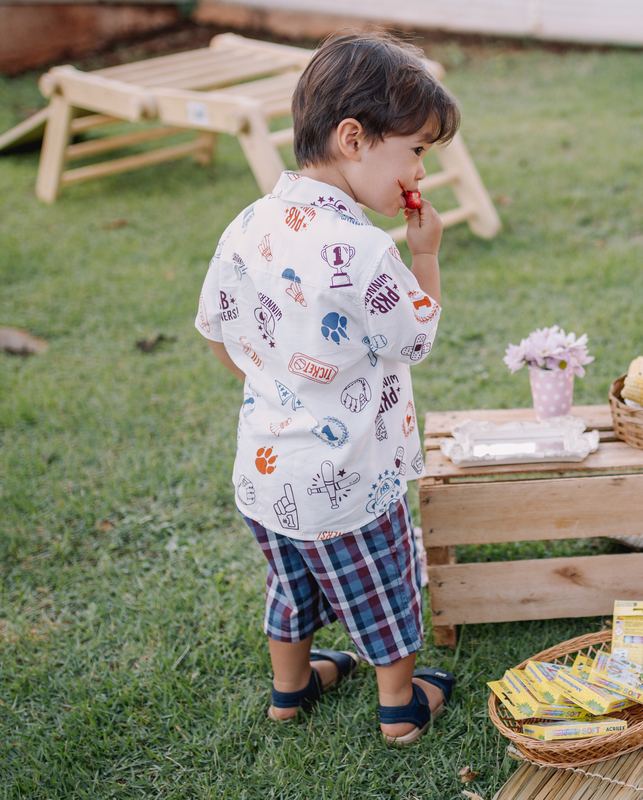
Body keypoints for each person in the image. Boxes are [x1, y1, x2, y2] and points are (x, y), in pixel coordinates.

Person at [195, 30, 459, 745]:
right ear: (353, 137)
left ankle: (292, 688)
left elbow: (218, 332)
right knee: (386, 591)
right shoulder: (369, 250)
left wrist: (275, 383)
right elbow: (416, 337)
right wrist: (426, 254)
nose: (418, 172)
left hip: (265, 471)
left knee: (293, 583)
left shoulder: (249, 223)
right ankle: (401, 704)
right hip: (351, 479)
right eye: (415, 151)